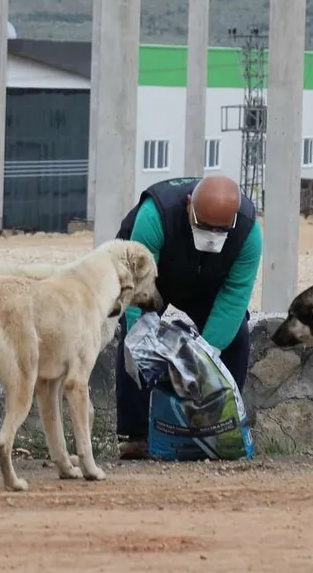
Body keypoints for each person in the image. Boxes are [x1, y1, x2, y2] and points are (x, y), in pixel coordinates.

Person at [113, 175, 263, 460]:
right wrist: (137, 336)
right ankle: (135, 437)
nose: (211, 234)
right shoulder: (155, 216)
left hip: (208, 282)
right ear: (188, 205)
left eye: (220, 230)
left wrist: (205, 358)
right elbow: (132, 288)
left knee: (237, 339)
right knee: (134, 343)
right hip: (150, 278)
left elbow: (234, 297)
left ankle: (220, 429)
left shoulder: (248, 234)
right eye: (204, 226)